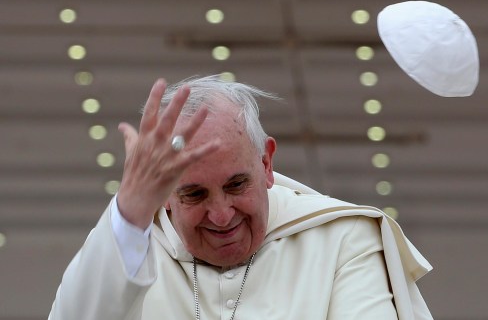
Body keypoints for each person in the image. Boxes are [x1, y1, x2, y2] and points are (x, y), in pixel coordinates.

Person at [49, 75, 434, 320]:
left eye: (236, 185)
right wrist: (130, 212)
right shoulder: (128, 252)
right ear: (165, 194)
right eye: (194, 193)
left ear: (266, 163)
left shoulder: (344, 240)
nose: (220, 214)